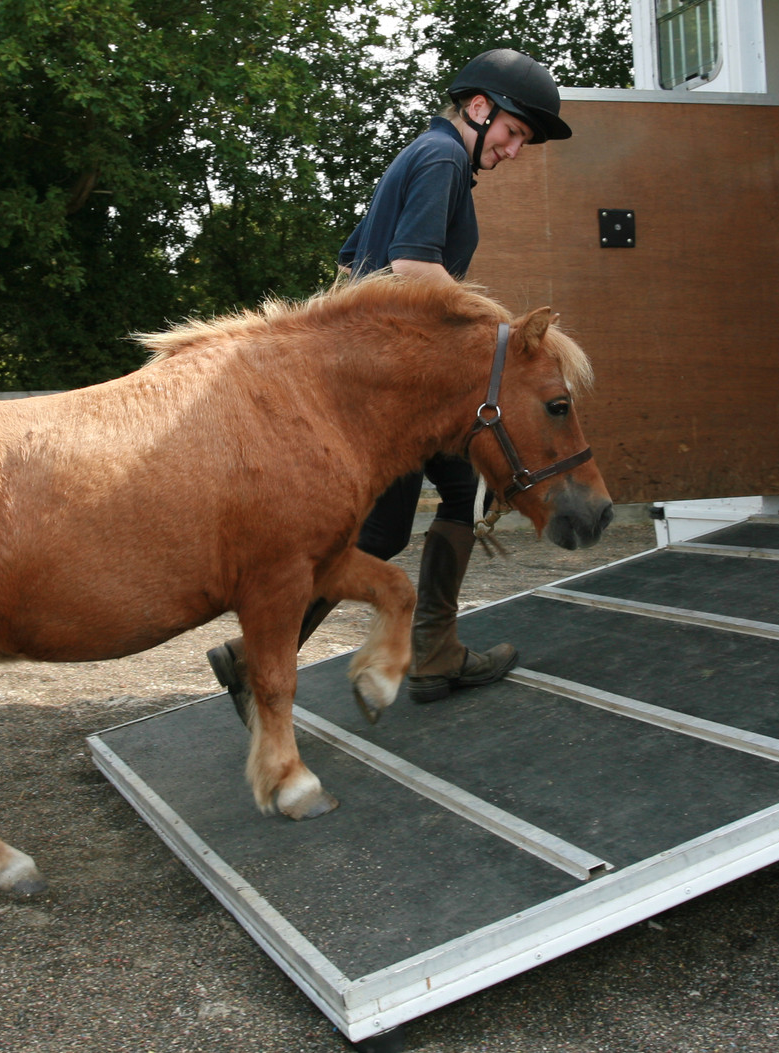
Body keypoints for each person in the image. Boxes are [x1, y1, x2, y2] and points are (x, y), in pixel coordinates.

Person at [205, 48, 574, 723]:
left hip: (386, 375)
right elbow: (408, 264)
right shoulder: (439, 160)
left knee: (411, 512)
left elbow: (354, 260)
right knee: (393, 521)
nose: (515, 149)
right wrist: (494, 326)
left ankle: (414, 652)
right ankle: (291, 654)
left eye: (522, 140)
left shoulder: (431, 157)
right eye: (514, 132)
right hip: (393, 384)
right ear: (479, 106)